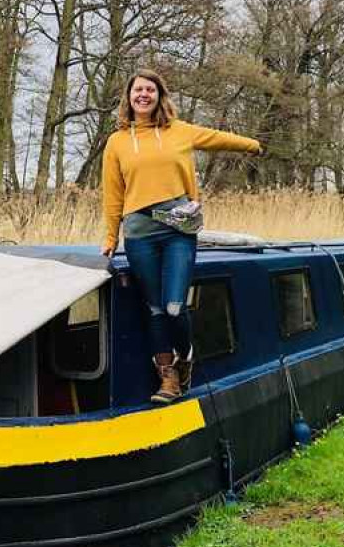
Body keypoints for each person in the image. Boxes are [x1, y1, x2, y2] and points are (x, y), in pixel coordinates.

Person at [100, 69, 262, 403]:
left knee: (175, 306)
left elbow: (219, 138)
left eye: (149, 90)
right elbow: (113, 194)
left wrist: (254, 146)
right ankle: (167, 379)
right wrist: (110, 238)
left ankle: (185, 357)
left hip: (178, 230)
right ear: (128, 98)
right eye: (137, 90)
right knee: (156, 309)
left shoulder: (179, 131)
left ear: (159, 96)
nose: (143, 95)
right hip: (139, 233)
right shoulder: (116, 142)